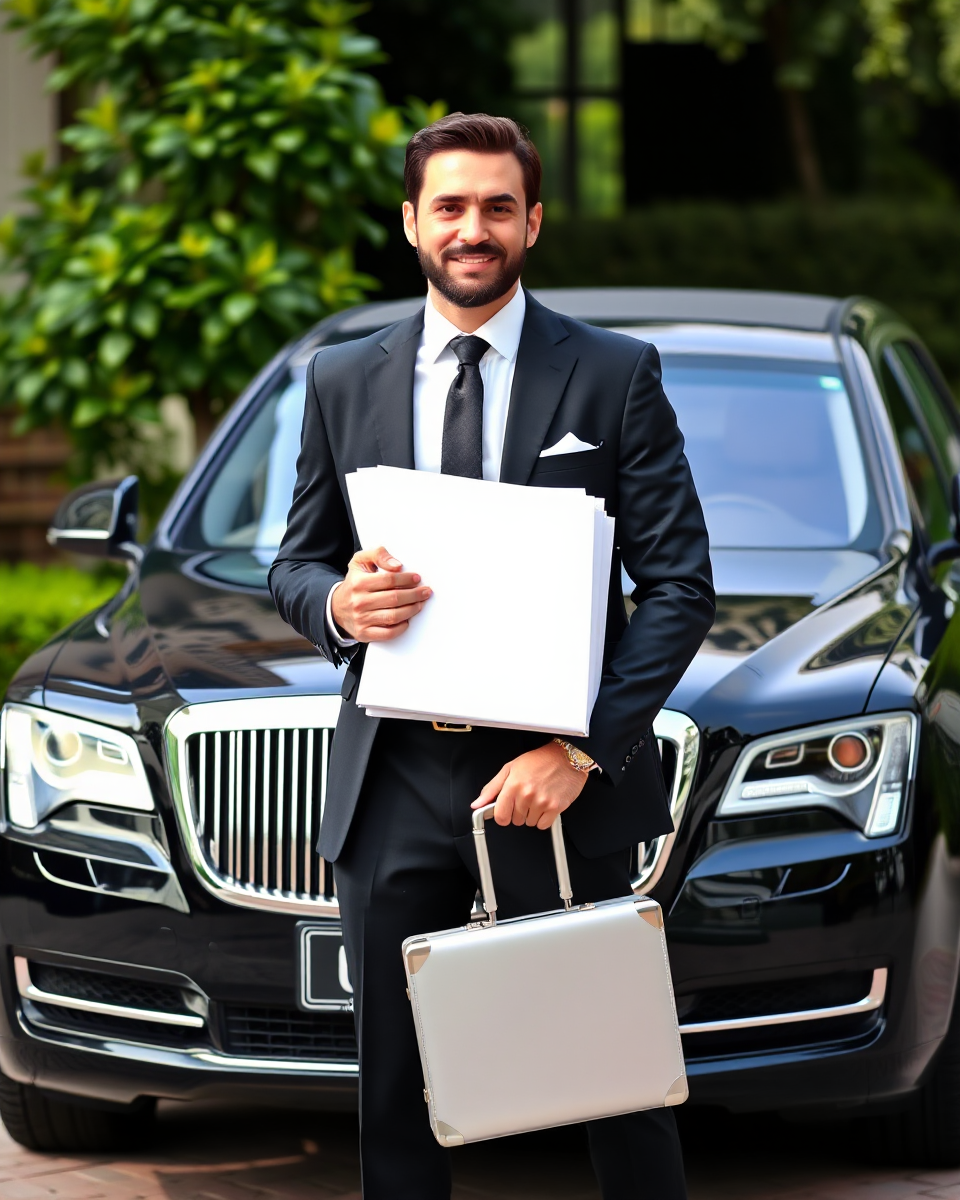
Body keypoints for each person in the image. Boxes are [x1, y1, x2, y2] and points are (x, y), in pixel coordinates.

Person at [269, 112, 715, 1200]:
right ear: (412, 221)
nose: (475, 229)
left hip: (551, 781)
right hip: (394, 782)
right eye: (453, 207)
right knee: (398, 1095)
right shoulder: (340, 380)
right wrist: (338, 604)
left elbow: (681, 587)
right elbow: (292, 568)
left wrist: (582, 748)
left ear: (534, 221)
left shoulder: (613, 375)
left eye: (499, 207)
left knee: (611, 1083)